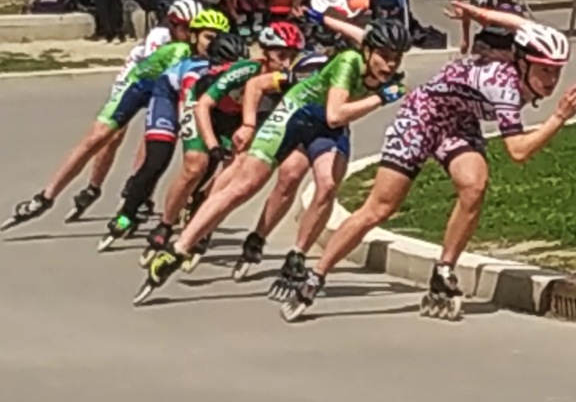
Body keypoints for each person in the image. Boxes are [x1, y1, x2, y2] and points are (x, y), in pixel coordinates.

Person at [280, 0, 576, 323]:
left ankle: (443, 270)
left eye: (557, 71)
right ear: (522, 62)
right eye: (545, 70)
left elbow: (513, 22)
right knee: (379, 208)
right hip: (421, 117)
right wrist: (558, 117)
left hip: (457, 122)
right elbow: (518, 151)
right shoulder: (504, 89)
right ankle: (316, 276)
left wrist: (476, 13)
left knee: (474, 186)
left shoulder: (527, 46)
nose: (552, 80)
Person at [133, 17, 413, 305]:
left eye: (397, 58)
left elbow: (360, 41)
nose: (390, 65)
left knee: (328, 185)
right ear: (367, 51)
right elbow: (334, 114)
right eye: (384, 56)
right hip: (296, 114)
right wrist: (380, 98)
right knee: (245, 185)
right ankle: (179, 248)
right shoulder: (348, 61)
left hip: (326, 129)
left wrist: (329, 19)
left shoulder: (379, 66)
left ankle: (297, 255)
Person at [1, 9, 230, 233]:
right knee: (100, 137)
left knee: (157, 142)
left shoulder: (207, 56)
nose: (184, 32)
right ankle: (47, 196)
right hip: (139, 84)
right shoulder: (168, 43)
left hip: (166, 91)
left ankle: (138, 193)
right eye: (183, 27)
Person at [137, 21, 305, 270]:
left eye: (293, 56)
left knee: (238, 167)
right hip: (202, 106)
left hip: (231, 118)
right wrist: (213, 145)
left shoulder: (283, 81)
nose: (287, 63)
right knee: (196, 165)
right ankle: (166, 224)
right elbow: (203, 105)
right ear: (265, 52)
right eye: (281, 55)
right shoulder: (247, 70)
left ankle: (203, 215)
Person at [98, 30, 249, 252]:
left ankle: (193, 203)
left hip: (212, 104)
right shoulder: (195, 76)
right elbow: (188, 112)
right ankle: (127, 213)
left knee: (210, 160)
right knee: (159, 159)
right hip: (170, 97)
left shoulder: (245, 74)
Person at [65, 0, 204, 223]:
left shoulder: (193, 43)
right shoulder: (160, 36)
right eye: (187, 28)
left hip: (164, 84)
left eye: (196, 29)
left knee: (155, 133)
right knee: (113, 136)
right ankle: (93, 187)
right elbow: (150, 69)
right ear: (173, 24)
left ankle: (138, 188)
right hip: (137, 77)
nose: (192, 34)